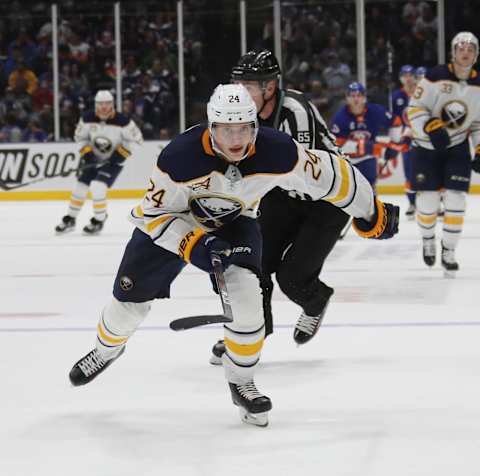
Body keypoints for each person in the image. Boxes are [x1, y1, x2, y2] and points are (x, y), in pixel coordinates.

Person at [68, 83, 399, 427]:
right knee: (126, 307)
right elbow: (152, 216)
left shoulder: (278, 151)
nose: (237, 139)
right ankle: (106, 350)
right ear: (212, 127)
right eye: (227, 129)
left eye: (244, 127)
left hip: (235, 221)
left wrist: (369, 210)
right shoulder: (178, 158)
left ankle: (242, 381)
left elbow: (334, 175)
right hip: (174, 222)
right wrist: (192, 244)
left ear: (255, 125)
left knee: (247, 303)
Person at [209, 49, 350, 367]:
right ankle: (251, 332)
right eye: (236, 83)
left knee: (292, 278)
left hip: (326, 200)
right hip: (283, 196)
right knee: (253, 265)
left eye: (246, 86)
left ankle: (315, 301)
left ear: (269, 88)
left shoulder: (295, 111)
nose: (238, 92)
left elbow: (301, 171)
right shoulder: (242, 114)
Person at [407, 31, 480, 277]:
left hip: (457, 146)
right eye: (461, 47)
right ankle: (428, 238)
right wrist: (430, 126)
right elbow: (415, 108)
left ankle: (448, 250)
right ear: (453, 51)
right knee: (426, 203)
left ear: (476, 54)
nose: (466, 52)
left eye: (471, 48)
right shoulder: (435, 76)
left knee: (456, 199)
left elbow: (479, 123)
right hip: (426, 147)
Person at [55, 90, 143, 235]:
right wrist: (88, 154)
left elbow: (137, 140)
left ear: (112, 104)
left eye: (107, 103)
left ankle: (99, 220)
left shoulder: (123, 122)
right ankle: (70, 219)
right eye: (100, 104)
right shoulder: (87, 118)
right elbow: (80, 138)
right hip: (93, 160)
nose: (104, 107)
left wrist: (119, 156)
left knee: (97, 187)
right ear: (96, 105)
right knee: (80, 187)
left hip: (113, 163)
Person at [331, 82, 402, 189]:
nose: (356, 99)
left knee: (369, 191)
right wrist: (364, 146)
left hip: (367, 159)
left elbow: (396, 122)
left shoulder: (375, 111)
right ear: (347, 98)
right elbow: (337, 144)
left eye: (359, 95)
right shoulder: (340, 118)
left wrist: (394, 144)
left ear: (364, 97)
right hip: (346, 160)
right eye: (352, 95)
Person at [391, 65, 418, 218]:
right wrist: (397, 138)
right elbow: (394, 119)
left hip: (423, 137)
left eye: (410, 75)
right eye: (404, 75)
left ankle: (435, 203)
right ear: (401, 78)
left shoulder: (422, 93)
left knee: (428, 169)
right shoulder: (396, 96)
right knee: (409, 172)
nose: (408, 78)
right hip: (406, 137)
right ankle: (412, 203)